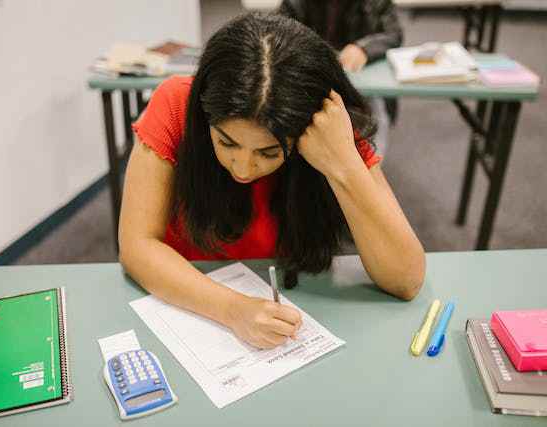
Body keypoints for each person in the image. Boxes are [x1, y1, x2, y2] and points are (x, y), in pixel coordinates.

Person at [119, 13, 425, 350]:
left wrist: (343, 165)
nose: (244, 168)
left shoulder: (328, 126)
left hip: (291, 297)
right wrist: (232, 309)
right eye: (226, 142)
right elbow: (137, 247)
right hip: (187, 297)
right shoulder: (177, 103)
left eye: (268, 153)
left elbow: (406, 279)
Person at [278, 0, 403, 155]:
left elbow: (393, 34)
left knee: (372, 117)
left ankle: (368, 168)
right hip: (312, 78)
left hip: (360, 81)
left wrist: (364, 48)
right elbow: (279, 34)